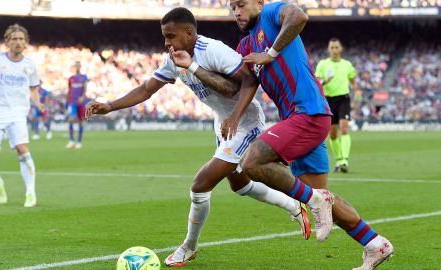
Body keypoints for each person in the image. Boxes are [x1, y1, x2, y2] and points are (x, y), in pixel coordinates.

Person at [86, 7, 310, 268]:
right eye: (165, 37)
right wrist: (110, 106)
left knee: (200, 185)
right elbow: (148, 88)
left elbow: (246, 83)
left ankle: (188, 247)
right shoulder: (173, 58)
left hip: (244, 120)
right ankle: (294, 205)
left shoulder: (212, 50)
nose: (166, 42)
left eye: (171, 36)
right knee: (239, 185)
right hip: (223, 122)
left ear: (189, 33)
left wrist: (232, 114)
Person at [225, 1, 393, 269]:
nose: (236, 12)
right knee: (320, 195)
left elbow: (299, 16)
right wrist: (193, 68)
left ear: (259, 3)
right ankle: (375, 245)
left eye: (241, 4)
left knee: (251, 163)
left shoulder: (272, 13)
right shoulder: (245, 46)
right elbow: (242, 83)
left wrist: (270, 53)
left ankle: (318, 200)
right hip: (296, 118)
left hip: (309, 112)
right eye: (231, 7)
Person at [0, 24, 42, 207]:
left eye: (21, 39)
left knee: (22, 149)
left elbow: (33, 89)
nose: (17, 42)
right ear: (7, 42)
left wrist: (38, 102)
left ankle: (30, 192)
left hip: (18, 113)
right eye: (14, 39)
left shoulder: (30, 65)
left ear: (26, 42)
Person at [315, 38, 358, 173]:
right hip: (328, 100)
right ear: (329, 49)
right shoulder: (322, 64)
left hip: (343, 99)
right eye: (332, 48)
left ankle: (345, 160)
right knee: (332, 134)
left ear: (341, 49)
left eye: (336, 47)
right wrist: (325, 81)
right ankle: (339, 161)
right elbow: (316, 83)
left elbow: (352, 79)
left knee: (344, 128)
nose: (334, 50)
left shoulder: (347, 64)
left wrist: (356, 91)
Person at [66, 61, 88, 149]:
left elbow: (85, 89)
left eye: (78, 66)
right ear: (74, 67)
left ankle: (79, 142)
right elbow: (69, 90)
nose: (77, 67)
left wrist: (83, 96)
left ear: (80, 67)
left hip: (81, 102)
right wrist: (67, 101)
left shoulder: (84, 77)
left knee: (80, 121)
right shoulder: (71, 78)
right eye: (76, 66)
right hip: (72, 102)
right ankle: (71, 141)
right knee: (71, 119)